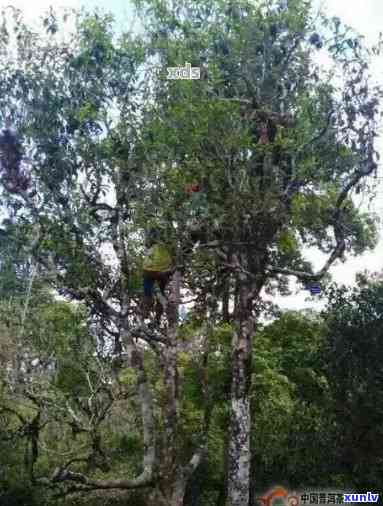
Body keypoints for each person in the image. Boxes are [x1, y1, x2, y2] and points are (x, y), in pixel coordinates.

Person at [142, 229, 173, 319]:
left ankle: (150, 310)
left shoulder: (157, 247)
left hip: (153, 271)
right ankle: (156, 315)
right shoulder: (161, 247)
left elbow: (147, 243)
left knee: (148, 290)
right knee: (159, 291)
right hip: (161, 270)